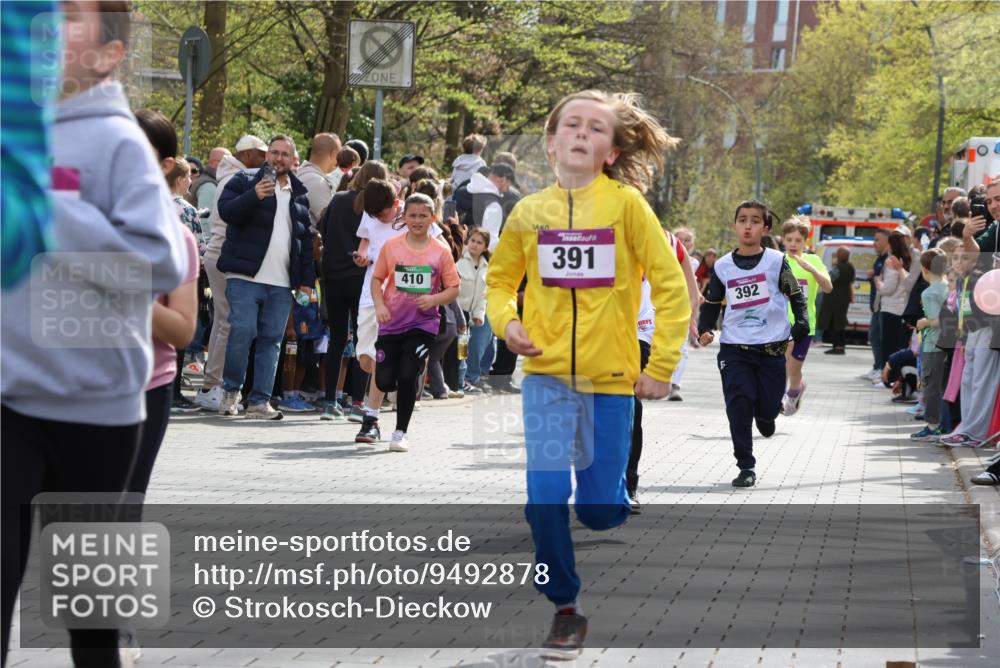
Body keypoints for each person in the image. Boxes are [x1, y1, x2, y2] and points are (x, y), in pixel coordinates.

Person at [2, 3, 188, 663]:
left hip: (96, 412)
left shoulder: (118, 142)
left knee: (90, 617)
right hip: (9, 404)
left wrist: (45, 207)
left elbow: (158, 263)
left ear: (109, 54)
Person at [486, 89, 688, 659]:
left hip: (609, 382)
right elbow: (500, 284)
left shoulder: (626, 207)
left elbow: (671, 287)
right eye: (570, 125)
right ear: (550, 144)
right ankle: (565, 608)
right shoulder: (529, 213)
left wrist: (661, 366)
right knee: (545, 492)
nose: (580, 133)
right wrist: (508, 325)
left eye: (595, 129)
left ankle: (611, 494)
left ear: (611, 150)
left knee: (599, 511)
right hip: (548, 378)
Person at [697, 201, 809, 488]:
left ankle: (767, 414)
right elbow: (711, 302)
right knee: (738, 402)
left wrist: (801, 322)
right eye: (742, 220)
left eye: (755, 221)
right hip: (735, 346)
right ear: (734, 226)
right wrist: (705, 328)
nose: (748, 225)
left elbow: (796, 295)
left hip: (771, 346)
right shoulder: (722, 265)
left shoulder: (776, 261)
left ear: (765, 228)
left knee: (768, 408)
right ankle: (746, 465)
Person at [216, 134, 315, 420]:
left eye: (285, 154)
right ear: (266, 155)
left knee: (272, 340)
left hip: (283, 282)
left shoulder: (300, 192)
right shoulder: (245, 180)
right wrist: (254, 195)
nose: (278, 158)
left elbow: (303, 240)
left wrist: (306, 280)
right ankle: (231, 392)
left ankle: (259, 401)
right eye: (274, 152)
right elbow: (226, 212)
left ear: (292, 159)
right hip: (244, 275)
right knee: (243, 331)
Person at [129, 109, 200, 493]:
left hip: (145, 388)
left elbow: (183, 331)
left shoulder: (177, 238)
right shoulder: (69, 221)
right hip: (66, 388)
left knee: (115, 514)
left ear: (165, 164)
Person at [370, 193, 461, 451]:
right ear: (404, 217)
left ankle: (400, 433)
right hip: (391, 322)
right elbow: (377, 279)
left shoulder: (440, 251)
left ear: (433, 218)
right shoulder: (392, 246)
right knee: (386, 381)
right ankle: (402, 376)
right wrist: (379, 305)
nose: (418, 220)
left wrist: (434, 300)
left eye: (423, 216)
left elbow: (454, 288)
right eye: (413, 215)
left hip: (423, 325)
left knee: (408, 374)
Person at [194, 134, 268, 411]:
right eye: (260, 153)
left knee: (223, 321)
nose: (264, 159)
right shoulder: (236, 181)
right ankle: (214, 385)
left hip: (221, 254)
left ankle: (212, 384)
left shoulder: (230, 177)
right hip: (226, 255)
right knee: (228, 322)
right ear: (247, 155)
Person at [317, 160, 390, 421]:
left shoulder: (337, 200)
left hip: (334, 276)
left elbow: (323, 232)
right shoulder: (377, 208)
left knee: (336, 339)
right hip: (363, 279)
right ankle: (358, 400)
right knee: (364, 341)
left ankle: (329, 401)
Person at [779, 216, 832, 415]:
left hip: (805, 323)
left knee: (794, 367)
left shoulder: (813, 260)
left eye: (798, 240)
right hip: (781, 323)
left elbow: (828, 287)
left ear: (805, 242)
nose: (793, 244)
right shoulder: (778, 260)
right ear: (783, 240)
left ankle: (795, 391)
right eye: (789, 240)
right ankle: (777, 398)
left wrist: (812, 270)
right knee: (782, 363)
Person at [910, 248, 950, 440]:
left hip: (933, 343)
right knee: (944, 385)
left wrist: (923, 322)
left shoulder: (929, 293)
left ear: (925, 269)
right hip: (949, 343)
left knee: (930, 385)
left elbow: (936, 320)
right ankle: (944, 423)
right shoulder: (948, 286)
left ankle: (932, 425)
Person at [457, 228, 494, 392]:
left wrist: (479, 315)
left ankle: (473, 377)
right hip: (460, 313)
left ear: (485, 247)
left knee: (481, 341)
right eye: (472, 240)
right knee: (461, 348)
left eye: (479, 242)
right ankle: (461, 380)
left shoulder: (488, 267)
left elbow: (484, 295)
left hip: (477, 312)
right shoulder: (459, 260)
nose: (475, 245)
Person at [875, 230, 914, 385]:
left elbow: (888, 288)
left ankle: (888, 379)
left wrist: (879, 284)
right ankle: (898, 378)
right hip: (902, 308)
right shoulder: (907, 260)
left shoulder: (891, 262)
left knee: (888, 345)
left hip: (890, 308)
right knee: (899, 345)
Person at [297, 132, 341, 229]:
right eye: (339, 155)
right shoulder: (318, 182)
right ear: (333, 154)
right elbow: (331, 223)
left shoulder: (301, 172)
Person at [466, 163, 515, 252]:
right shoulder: (493, 205)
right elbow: (490, 241)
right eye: (508, 186)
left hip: (452, 250)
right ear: (503, 180)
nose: (507, 190)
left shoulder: (463, 189)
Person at [818, 247, 855, 355]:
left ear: (839, 256)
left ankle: (837, 346)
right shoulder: (850, 267)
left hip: (834, 300)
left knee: (834, 322)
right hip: (844, 299)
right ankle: (840, 346)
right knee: (840, 322)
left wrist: (833, 264)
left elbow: (828, 278)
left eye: (837, 254)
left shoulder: (838, 268)